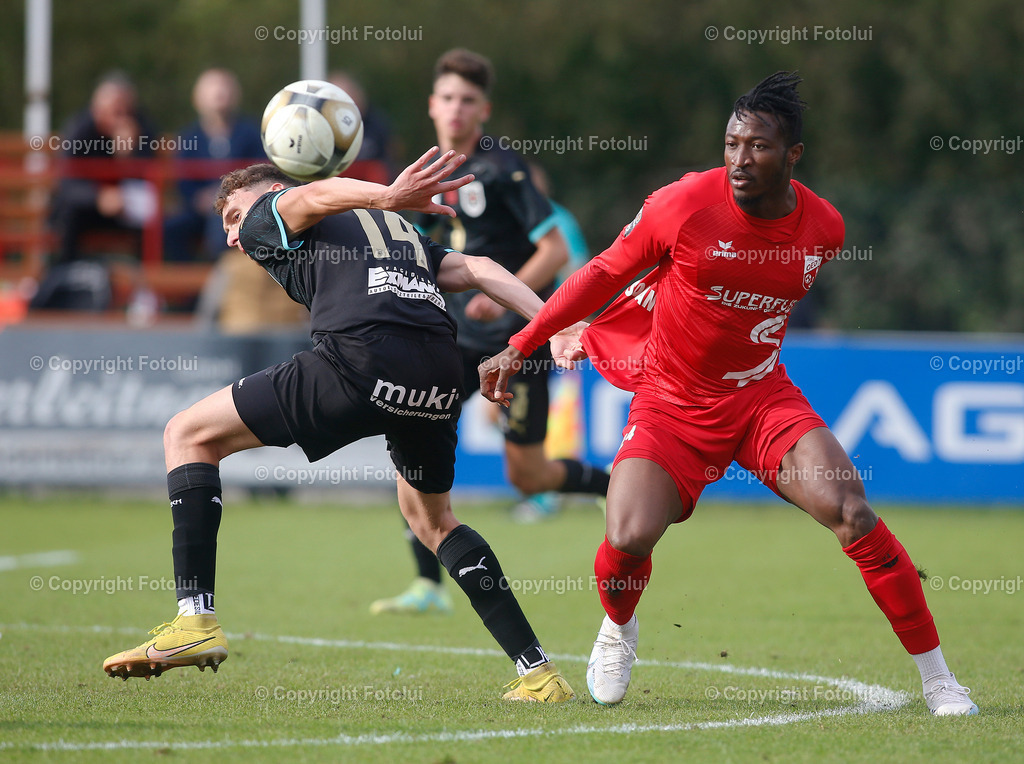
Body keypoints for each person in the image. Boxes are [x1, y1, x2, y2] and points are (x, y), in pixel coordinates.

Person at [479, 72, 979, 716]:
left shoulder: (824, 228)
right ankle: (618, 629)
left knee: (851, 510)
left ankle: (940, 681)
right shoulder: (682, 204)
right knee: (628, 535)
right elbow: (604, 270)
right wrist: (522, 344)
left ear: (793, 155)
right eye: (732, 143)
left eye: (759, 147)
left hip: (761, 397)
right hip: (672, 401)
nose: (741, 160)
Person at [100, 147, 574, 703]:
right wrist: (553, 324)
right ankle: (540, 674)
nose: (234, 237)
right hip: (440, 373)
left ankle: (194, 621)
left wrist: (388, 192)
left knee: (186, 434)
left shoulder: (284, 210)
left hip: (359, 359)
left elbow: (312, 193)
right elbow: (477, 268)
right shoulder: (392, 227)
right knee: (435, 521)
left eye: (233, 217)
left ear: (266, 193)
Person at [370, 49, 610, 615]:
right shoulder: (429, 172)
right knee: (411, 442)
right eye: (448, 98)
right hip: (446, 340)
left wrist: (496, 293)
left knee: (528, 476)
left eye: (468, 101)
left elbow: (554, 250)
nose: (456, 109)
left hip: (514, 343)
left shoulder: (505, 169)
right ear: (433, 105)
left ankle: (608, 487)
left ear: (484, 110)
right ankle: (428, 586)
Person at [46, 72, 157, 265]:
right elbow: (66, 181)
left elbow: (151, 179)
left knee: (154, 222)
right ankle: (63, 275)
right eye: (112, 109)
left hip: (124, 209)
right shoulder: (80, 130)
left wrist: (127, 155)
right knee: (68, 214)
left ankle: (147, 286)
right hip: (87, 209)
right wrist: (98, 197)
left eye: (123, 109)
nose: (118, 115)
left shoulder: (142, 129)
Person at [163, 68, 264, 262]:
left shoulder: (251, 134)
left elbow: (260, 171)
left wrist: (232, 197)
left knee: (220, 225)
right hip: (198, 211)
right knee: (170, 230)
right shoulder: (189, 137)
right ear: (198, 98)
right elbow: (182, 177)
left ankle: (221, 283)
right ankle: (188, 287)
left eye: (224, 87)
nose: (219, 93)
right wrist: (196, 198)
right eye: (212, 88)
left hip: (241, 210)